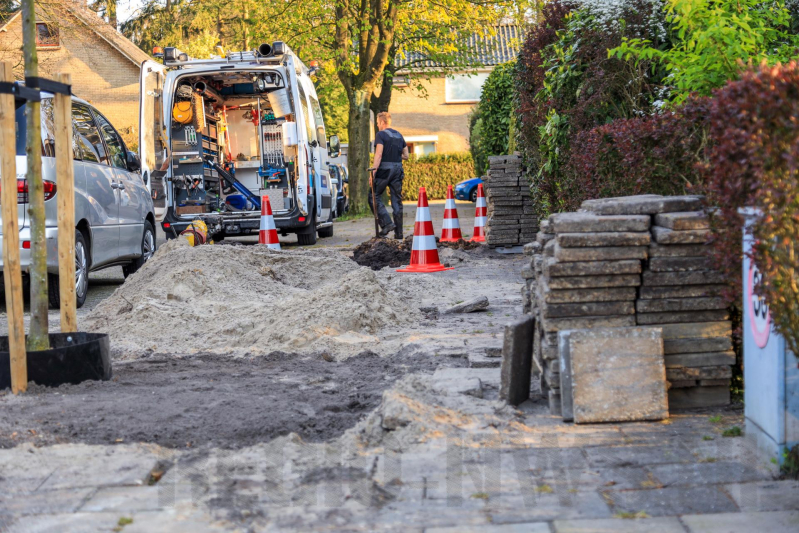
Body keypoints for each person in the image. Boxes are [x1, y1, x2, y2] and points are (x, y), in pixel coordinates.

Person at [369, 111, 409, 239]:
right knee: (397, 200)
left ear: (382, 122)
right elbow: (406, 155)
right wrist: (395, 155)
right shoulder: (399, 135)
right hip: (398, 170)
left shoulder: (380, 135)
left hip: (385, 170)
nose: (377, 125)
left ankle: (387, 224)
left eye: (377, 123)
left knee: (373, 196)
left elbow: (379, 154)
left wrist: (373, 173)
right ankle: (399, 234)